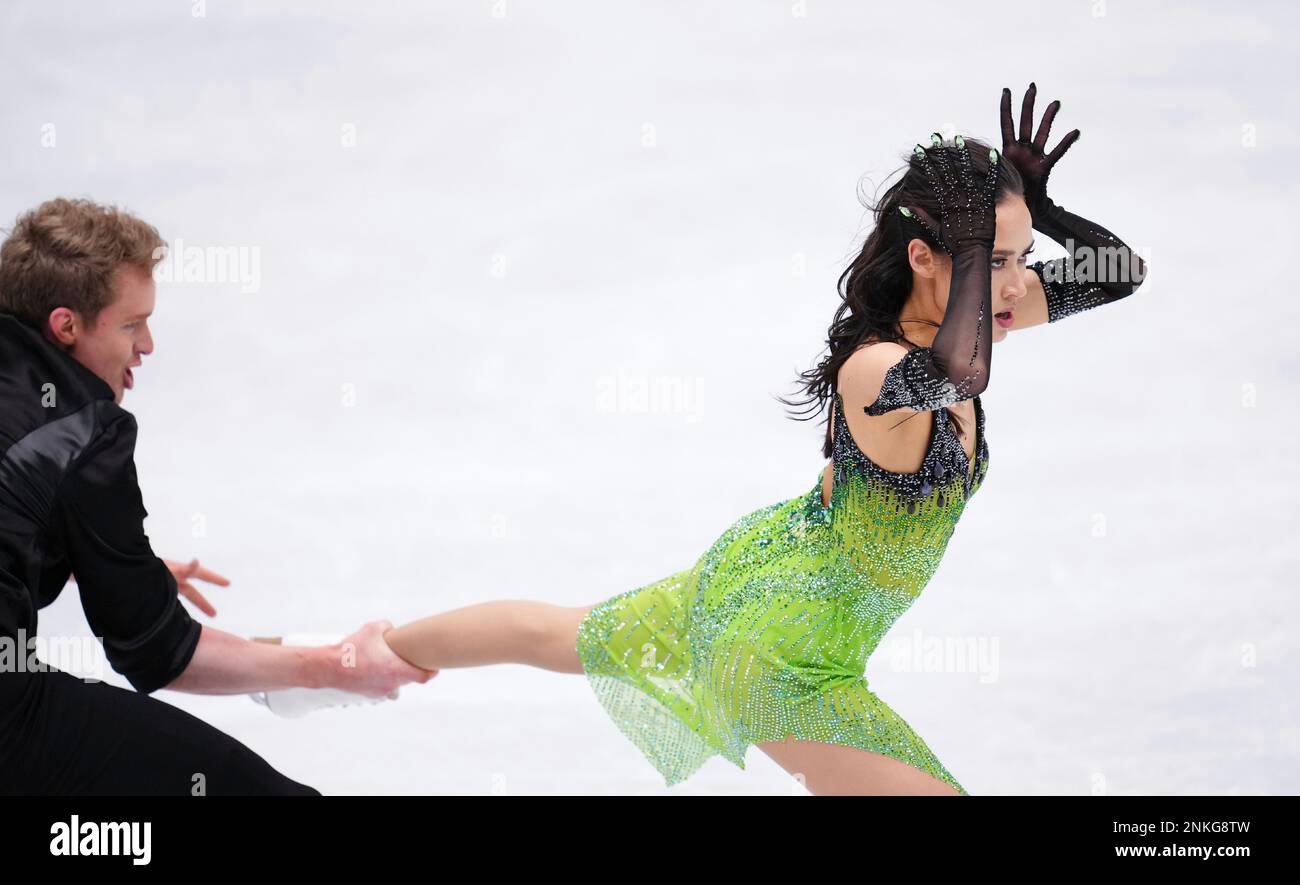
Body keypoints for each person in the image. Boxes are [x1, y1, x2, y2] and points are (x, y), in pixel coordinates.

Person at [354, 83, 1146, 795]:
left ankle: (356, 654)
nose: (1015, 286)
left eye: (1023, 261)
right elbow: (962, 374)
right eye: (993, 262)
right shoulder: (877, 370)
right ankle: (355, 655)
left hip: (776, 572)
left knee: (562, 632)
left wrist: (1042, 215)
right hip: (779, 653)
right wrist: (986, 242)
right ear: (925, 259)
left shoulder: (972, 321)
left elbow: (1122, 271)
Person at [0, 197, 436, 795]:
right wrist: (333, 667)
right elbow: (159, 652)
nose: (147, 345)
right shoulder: (82, 429)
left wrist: (103, 560)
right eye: (131, 324)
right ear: (66, 325)